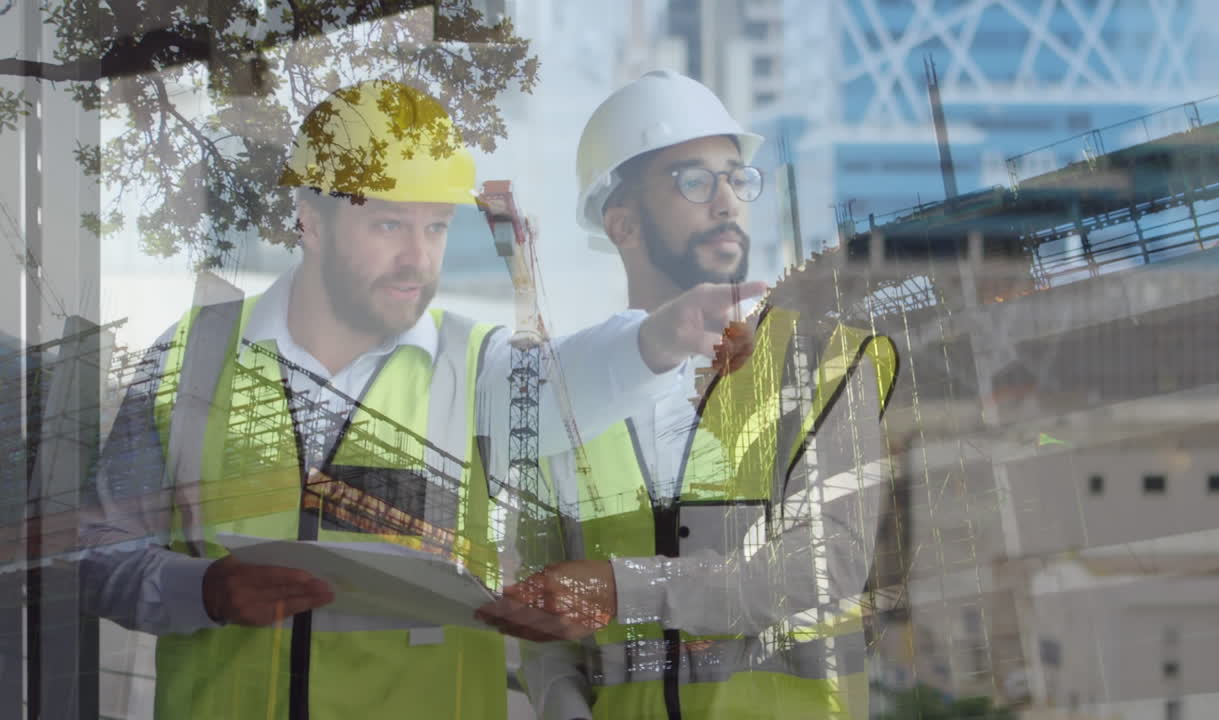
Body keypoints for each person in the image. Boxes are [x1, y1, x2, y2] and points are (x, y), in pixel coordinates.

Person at [78, 78, 762, 720]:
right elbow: (99, 552)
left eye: (434, 227)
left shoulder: (471, 364)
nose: (417, 257)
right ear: (310, 222)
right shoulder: (192, 357)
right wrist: (204, 592)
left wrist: (660, 337)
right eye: (389, 225)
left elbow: (567, 385)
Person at [477, 70, 898, 719]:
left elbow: (826, 563)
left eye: (737, 178)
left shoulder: (824, 362)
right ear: (623, 223)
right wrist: (562, 704)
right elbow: (546, 615)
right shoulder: (570, 393)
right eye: (695, 181)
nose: (727, 201)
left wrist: (623, 586)